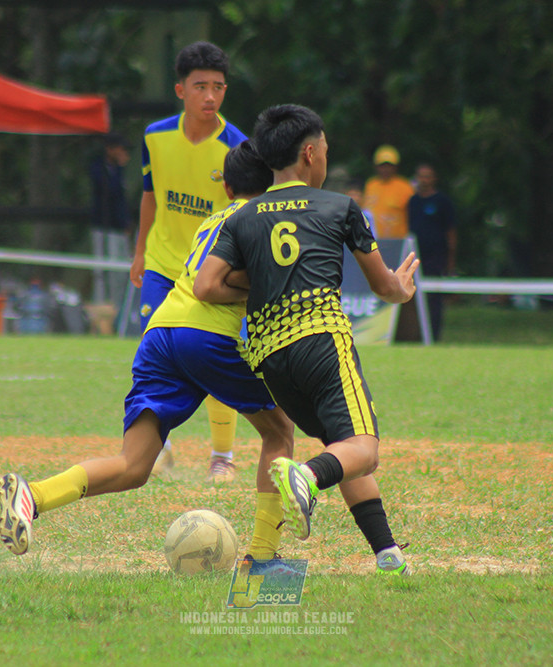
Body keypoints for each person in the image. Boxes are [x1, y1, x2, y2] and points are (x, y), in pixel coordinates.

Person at [0, 141, 296, 567]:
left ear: (227, 188)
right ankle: (264, 556)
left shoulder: (211, 221)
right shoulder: (265, 220)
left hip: (160, 333)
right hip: (206, 335)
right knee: (279, 433)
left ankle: (34, 495)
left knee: (134, 466)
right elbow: (233, 283)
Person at [195, 104, 419, 574]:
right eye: (326, 151)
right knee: (364, 448)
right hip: (320, 341)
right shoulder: (339, 207)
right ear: (311, 154)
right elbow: (383, 286)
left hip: (271, 359)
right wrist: (401, 289)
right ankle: (306, 475)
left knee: (343, 446)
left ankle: (387, 553)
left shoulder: (243, 217)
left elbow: (207, 286)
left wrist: (263, 285)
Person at [132, 41, 247, 483]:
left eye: (218, 87)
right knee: (153, 353)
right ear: (180, 90)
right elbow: (150, 196)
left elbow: (244, 213)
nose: (210, 96)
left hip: (211, 271)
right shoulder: (155, 136)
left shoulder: (238, 147)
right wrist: (140, 252)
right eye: (200, 87)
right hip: (163, 265)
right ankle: (159, 448)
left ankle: (222, 457)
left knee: (216, 353)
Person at [407, 163, 457, 342]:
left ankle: (434, 335)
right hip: (415, 255)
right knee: (413, 295)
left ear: (434, 179)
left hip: (436, 256)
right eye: (421, 176)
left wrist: (451, 259)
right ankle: (415, 334)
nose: (424, 180)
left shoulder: (442, 201)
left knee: (434, 297)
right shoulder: (413, 201)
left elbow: (451, 231)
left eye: (427, 176)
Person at [88, 132, 132, 306]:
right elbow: (110, 191)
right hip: (103, 225)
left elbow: (122, 199)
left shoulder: (120, 171)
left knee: (120, 271)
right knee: (101, 268)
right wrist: (119, 169)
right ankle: (101, 304)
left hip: (119, 227)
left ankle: (118, 305)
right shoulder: (98, 167)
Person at [363, 144, 414, 239]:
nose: (385, 169)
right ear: (376, 167)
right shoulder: (371, 184)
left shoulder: (405, 186)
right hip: (374, 239)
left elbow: (412, 214)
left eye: (389, 166)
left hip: (397, 239)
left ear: (396, 167)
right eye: (382, 166)